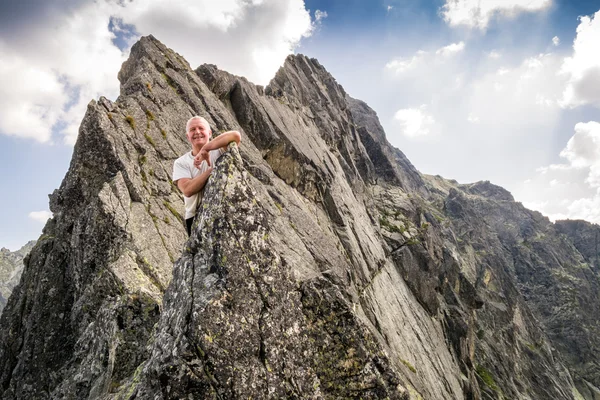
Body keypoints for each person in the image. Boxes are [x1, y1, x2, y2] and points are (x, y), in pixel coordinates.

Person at [172, 116, 241, 236]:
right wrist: (211, 170)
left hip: (224, 210)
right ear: (188, 136)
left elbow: (235, 135)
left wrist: (205, 149)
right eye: (192, 130)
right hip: (195, 218)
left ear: (209, 133)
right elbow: (187, 190)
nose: (197, 132)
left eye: (201, 128)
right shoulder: (181, 162)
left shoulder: (220, 151)